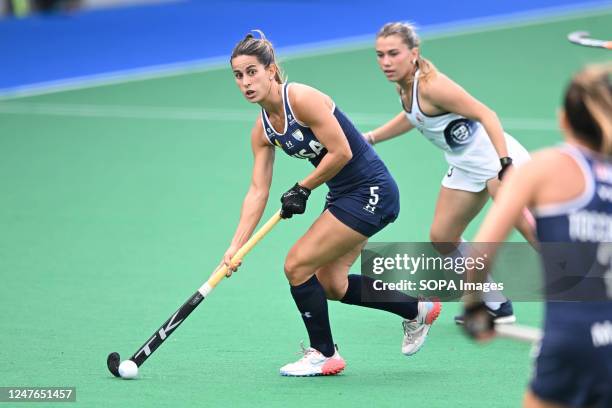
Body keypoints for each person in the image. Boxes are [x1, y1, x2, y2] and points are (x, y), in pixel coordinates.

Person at [223, 30, 441, 377]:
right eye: (238, 75)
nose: (246, 82)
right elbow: (257, 190)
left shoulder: (301, 99)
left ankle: (324, 354)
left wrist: (303, 187)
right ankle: (417, 309)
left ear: (272, 71)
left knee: (296, 266)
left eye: (253, 71)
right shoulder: (262, 129)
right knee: (331, 284)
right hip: (344, 194)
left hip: (371, 190)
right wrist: (236, 246)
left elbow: (342, 151)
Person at [364, 22, 537, 323]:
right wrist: (373, 137)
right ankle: (496, 303)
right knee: (443, 237)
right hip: (465, 165)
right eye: (380, 55)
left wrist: (505, 162)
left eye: (393, 53)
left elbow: (486, 114)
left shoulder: (433, 85)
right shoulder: (406, 85)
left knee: (535, 233)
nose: (386, 62)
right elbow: (414, 116)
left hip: (495, 161)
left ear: (413, 53)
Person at [463, 64, 612, 408]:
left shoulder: (544, 168)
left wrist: (475, 309)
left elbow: (479, 254)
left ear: (563, 120)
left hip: (570, 341)